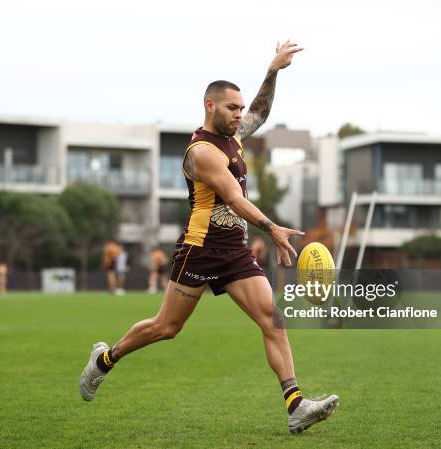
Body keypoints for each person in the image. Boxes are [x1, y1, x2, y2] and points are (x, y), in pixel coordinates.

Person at [80, 40, 339, 434]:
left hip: (233, 250)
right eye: (232, 108)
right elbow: (233, 199)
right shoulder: (202, 152)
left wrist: (273, 70)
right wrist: (272, 228)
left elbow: (261, 111)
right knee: (166, 327)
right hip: (200, 248)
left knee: (272, 319)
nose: (240, 114)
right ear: (210, 106)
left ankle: (295, 406)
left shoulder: (235, 137)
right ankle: (105, 360)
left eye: (240, 107)